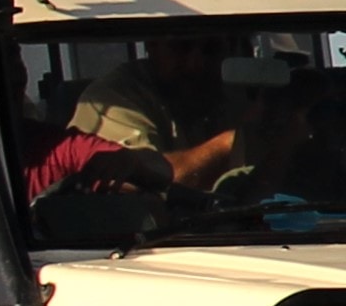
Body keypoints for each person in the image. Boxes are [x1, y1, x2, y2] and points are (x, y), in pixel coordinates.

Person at [67, 33, 243, 189]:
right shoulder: (112, 98)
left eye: (211, 49)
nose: (194, 63)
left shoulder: (238, 91)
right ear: (152, 45)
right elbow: (145, 181)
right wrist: (229, 144)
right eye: (181, 47)